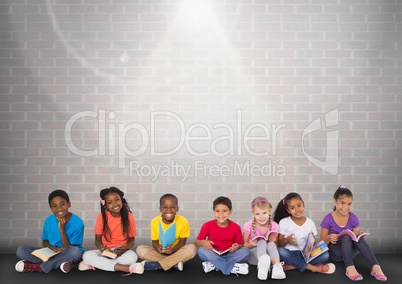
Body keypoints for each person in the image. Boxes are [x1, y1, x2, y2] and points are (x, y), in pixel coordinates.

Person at [320, 185, 387, 281]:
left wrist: (359, 233)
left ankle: (375, 267)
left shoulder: (353, 218)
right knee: (346, 235)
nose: (346, 207)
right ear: (335, 201)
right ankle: (349, 267)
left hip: (349, 252)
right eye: (342, 203)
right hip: (336, 253)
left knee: (358, 237)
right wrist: (329, 238)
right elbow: (321, 245)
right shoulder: (328, 219)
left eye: (349, 204)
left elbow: (355, 239)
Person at [15, 189, 84, 273]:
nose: (59, 208)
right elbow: (45, 241)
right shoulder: (48, 220)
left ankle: (41, 266)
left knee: (75, 252)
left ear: (68, 204)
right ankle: (60, 263)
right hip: (51, 251)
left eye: (62, 204)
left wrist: (62, 229)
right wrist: (53, 249)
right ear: (50, 208)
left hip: (67, 251)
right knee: (21, 250)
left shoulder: (78, 223)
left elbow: (68, 248)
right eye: (54, 206)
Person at [78, 186, 143, 275]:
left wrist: (126, 248)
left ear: (121, 200)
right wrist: (102, 249)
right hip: (106, 251)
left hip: (121, 252)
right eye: (110, 202)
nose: (115, 204)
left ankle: (97, 265)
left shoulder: (129, 217)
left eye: (117, 200)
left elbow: (131, 240)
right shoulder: (101, 217)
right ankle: (126, 268)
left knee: (132, 257)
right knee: (86, 255)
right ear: (106, 205)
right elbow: (97, 240)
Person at [273, 192, 335, 275]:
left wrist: (312, 242)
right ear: (288, 210)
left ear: (303, 204)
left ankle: (292, 266)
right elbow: (279, 244)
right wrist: (287, 240)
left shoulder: (310, 223)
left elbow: (313, 246)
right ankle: (313, 268)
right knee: (280, 251)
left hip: (305, 255)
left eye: (299, 205)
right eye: (292, 208)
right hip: (290, 254)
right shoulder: (284, 222)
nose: (297, 210)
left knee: (325, 255)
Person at [136, 193, 196, 271]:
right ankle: (174, 263)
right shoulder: (155, 221)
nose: (169, 210)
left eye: (172, 207)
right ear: (160, 209)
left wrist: (173, 249)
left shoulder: (183, 221)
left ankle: (159, 265)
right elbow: (154, 242)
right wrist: (158, 248)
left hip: (176, 251)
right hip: (161, 252)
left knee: (192, 249)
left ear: (177, 208)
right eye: (165, 207)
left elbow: (182, 242)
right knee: (140, 250)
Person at [194, 196, 250, 276]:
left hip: (229, 254)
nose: (221, 214)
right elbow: (196, 243)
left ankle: (214, 265)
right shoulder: (207, 225)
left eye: (224, 211)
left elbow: (240, 244)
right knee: (201, 250)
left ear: (230, 211)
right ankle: (231, 267)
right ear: (214, 212)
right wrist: (204, 242)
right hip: (213, 253)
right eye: (217, 211)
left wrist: (236, 246)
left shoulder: (236, 227)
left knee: (246, 252)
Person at [243, 196, 285, 280]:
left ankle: (276, 267)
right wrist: (251, 244)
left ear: (269, 212)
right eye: (257, 214)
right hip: (254, 257)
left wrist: (274, 240)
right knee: (261, 241)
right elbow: (243, 244)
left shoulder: (274, 226)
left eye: (264, 213)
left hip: (270, 259)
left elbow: (275, 248)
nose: (261, 217)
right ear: (253, 213)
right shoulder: (248, 225)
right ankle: (262, 264)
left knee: (271, 243)